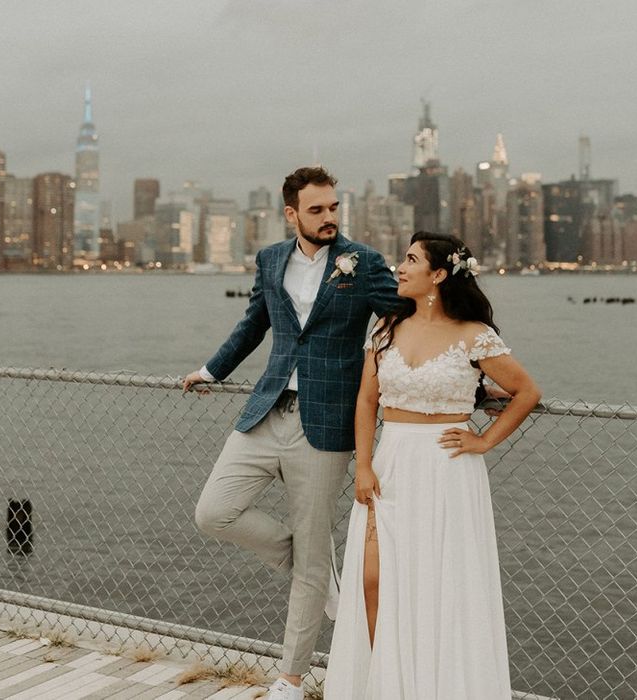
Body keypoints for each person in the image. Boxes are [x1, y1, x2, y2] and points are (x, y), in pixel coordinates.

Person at [182, 166, 400, 700]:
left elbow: (406, 316)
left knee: (309, 549)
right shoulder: (270, 259)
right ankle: (318, 571)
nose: (329, 218)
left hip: (326, 423)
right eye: (317, 210)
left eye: (333, 208)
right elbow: (254, 323)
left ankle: (291, 677)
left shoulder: (364, 263)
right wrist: (212, 371)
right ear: (291, 213)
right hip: (266, 410)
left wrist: (469, 370)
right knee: (214, 512)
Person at [324, 231, 541, 699]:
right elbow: (366, 401)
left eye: (410, 259)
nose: (399, 268)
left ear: (438, 275)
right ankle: (381, 687)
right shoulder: (385, 328)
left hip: (447, 468)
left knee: (439, 585)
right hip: (390, 462)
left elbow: (527, 393)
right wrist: (363, 466)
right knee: (373, 577)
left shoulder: (474, 337)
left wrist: (484, 441)